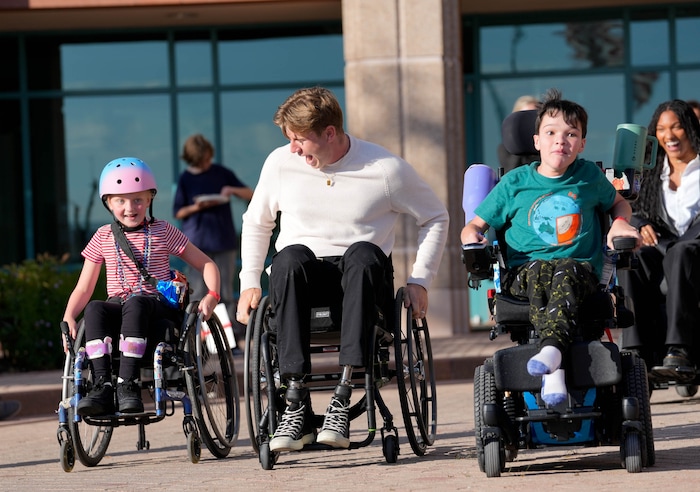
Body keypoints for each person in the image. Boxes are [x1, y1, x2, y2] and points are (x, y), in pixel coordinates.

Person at [237, 87, 449, 452]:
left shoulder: (384, 169)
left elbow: (436, 216)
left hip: (364, 282)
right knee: (287, 257)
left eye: (300, 140)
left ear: (330, 133)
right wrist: (249, 282)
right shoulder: (280, 164)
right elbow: (257, 224)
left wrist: (420, 280)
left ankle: (344, 390)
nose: (293, 149)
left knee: (365, 253)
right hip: (302, 281)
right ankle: (295, 399)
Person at [461, 88, 641, 406]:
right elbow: (475, 225)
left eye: (571, 134)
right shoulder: (514, 183)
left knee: (565, 268)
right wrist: (470, 237)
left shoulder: (588, 176)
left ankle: (552, 359)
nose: (561, 140)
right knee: (546, 268)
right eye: (551, 132)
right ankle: (554, 357)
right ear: (536, 141)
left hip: (580, 270)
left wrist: (620, 223)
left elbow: (619, 205)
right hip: (524, 272)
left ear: (582, 143)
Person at [63, 157, 221, 416]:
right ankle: (103, 386)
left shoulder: (163, 231)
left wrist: (212, 295)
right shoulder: (102, 236)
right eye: (120, 201)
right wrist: (69, 316)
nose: (130, 207)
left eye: (138, 199)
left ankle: (128, 385)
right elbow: (83, 288)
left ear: (150, 199)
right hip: (122, 309)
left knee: (136, 302)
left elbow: (207, 264)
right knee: (94, 309)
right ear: (108, 202)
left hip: (156, 311)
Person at [617, 99, 700, 379]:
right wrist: (639, 224)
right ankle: (636, 351)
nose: (670, 135)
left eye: (676, 127)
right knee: (634, 257)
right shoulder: (654, 172)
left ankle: (679, 349)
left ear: (690, 128)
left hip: (693, 250)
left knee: (682, 252)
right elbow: (635, 208)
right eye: (662, 129)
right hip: (667, 247)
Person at [173, 134, 253, 352]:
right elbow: (178, 211)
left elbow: (251, 193)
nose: (206, 163)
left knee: (225, 292)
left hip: (223, 240)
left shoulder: (221, 173)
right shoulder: (185, 179)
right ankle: (202, 341)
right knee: (199, 292)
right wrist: (197, 206)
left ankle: (230, 340)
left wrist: (232, 191)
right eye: (202, 160)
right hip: (197, 244)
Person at [497, 95, 541, 173]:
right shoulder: (506, 149)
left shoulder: (548, 145)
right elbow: (510, 170)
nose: (531, 122)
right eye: (526, 117)